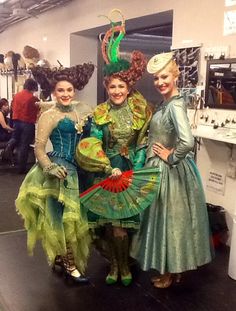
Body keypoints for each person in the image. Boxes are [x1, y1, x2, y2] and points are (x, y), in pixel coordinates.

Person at [76, 10, 152, 286]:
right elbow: (93, 141)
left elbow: (143, 140)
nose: (117, 90)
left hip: (130, 171)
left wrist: (138, 166)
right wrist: (106, 165)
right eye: (112, 86)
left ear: (127, 86)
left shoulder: (139, 109)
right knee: (109, 223)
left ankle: (125, 266)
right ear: (107, 86)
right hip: (105, 171)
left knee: (124, 224)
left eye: (121, 85)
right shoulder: (99, 112)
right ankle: (114, 266)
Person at [131, 52, 213, 288]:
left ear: (175, 75)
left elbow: (187, 141)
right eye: (156, 78)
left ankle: (168, 272)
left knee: (167, 221)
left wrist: (170, 155)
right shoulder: (167, 103)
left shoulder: (175, 105)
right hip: (165, 168)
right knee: (171, 221)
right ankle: (173, 270)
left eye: (164, 76)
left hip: (169, 169)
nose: (160, 82)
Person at [15, 63, 95, 283]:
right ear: (53, 91)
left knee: (75, 217)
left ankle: (62, 259)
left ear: (75, 90)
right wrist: (50, 167)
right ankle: (70, 265)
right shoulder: (48, 116)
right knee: (65, 219)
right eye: (61, 90)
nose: (66, 94)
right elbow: (39, 148)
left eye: (69, 90)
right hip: (60, 169)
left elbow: (92, 136)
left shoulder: (84, 109)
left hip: (80, 168)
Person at [4, 78, 39, 173]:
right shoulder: (33, 98)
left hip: (16, 122)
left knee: (16, 139)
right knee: (24, 146)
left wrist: (10, 124)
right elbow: (38, 110)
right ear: (33, 87)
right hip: (27, 123)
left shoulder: (16, 96)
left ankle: (9, 146)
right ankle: (22, 169)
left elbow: (12, 110)